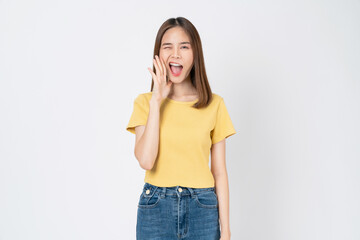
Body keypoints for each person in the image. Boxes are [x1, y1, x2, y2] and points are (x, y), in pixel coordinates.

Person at [126, 17, 236, 240]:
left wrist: (226, 230)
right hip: (155, 207)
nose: (175, 54)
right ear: (158, 55)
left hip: (202, 208)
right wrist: (157, 101)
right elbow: (146, 161)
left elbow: (220, 173)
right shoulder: (145, 103)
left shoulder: (214, 105)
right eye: (168, 47)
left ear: (195, 54)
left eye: (184, 46)